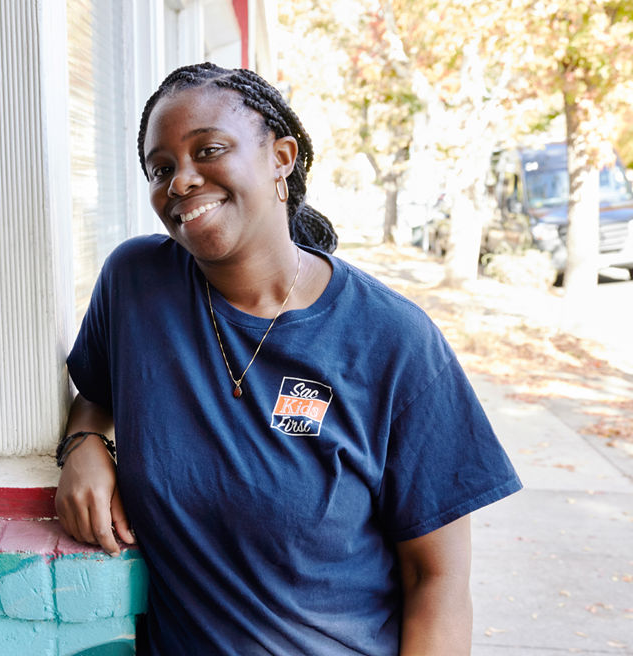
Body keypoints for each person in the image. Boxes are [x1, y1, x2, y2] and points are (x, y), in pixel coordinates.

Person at [55, 63, 521, 655]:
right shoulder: (136, 285)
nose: (181, 181)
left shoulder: (394, 341)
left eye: (209, 150)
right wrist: (85, 444)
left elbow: (439, 580)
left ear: (282, 157)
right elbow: (96, 391)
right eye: (162, 168)